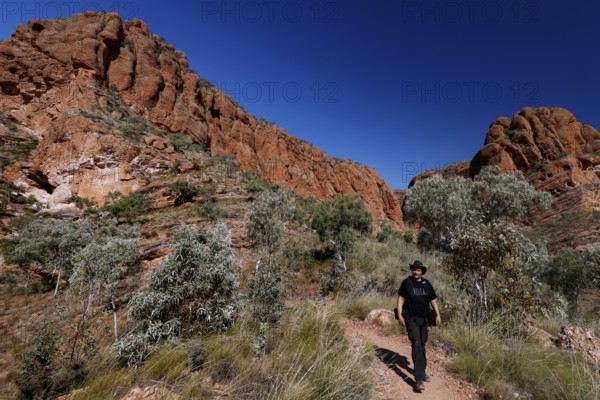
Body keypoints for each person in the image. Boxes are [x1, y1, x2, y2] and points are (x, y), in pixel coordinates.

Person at [397, 260, 441, 393]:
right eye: (414, 270)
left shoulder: (426, 284)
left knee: (421, 345)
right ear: (412, 270)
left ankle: (421, 370)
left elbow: (433, 300)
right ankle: (419, 379)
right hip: (411, 319)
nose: (416, 272)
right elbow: (400, 300)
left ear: (421, 271)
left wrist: (438, 314)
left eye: (418, 270)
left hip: (425, 320)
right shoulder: (407, 283)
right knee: (416, 344)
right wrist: (400, 315)